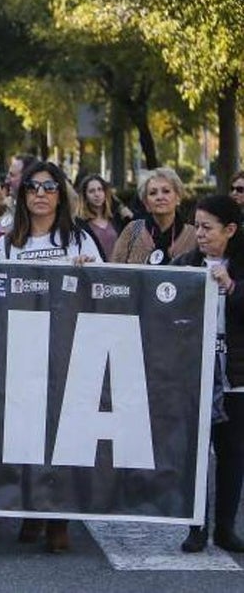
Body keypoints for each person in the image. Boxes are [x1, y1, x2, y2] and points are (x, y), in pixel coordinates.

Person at [0, 160, 99, 553]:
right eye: (33, 187)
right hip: (22, 352)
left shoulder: (79, 239)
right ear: (22, 195)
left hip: (66, 352)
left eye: (49, 187)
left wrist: (91, 272)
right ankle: (31, 509)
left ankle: (58, 518)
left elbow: (104, 291)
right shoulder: (8, 243)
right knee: (24, 435)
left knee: (62, 437)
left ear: (61, 193)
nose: (40, 194)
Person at [171, 194, 244, 554]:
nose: (199, 234)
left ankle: (226, 528)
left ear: (230, 230)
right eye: (196, 226)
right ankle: (195, 527)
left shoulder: (240, 267)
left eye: (207, 227)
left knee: (232, 454)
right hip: (195, 375)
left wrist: (231, 286)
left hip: (236, 377)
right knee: (196, 454)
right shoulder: (185, 263)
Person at [110, 167, 196, 265]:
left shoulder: (193, 235)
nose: (160, 197)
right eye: (153, 193)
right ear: (146, 203)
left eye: (166, 191)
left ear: (178, 198)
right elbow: (113, 271)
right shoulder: (132, 231)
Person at [75, 174, 123, 261]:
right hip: (96, 271)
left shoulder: (116, 218)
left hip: (119, 271)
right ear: (85, 196)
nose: (97, 194)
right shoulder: (79, 224)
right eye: (91, 191)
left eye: (100, 189)